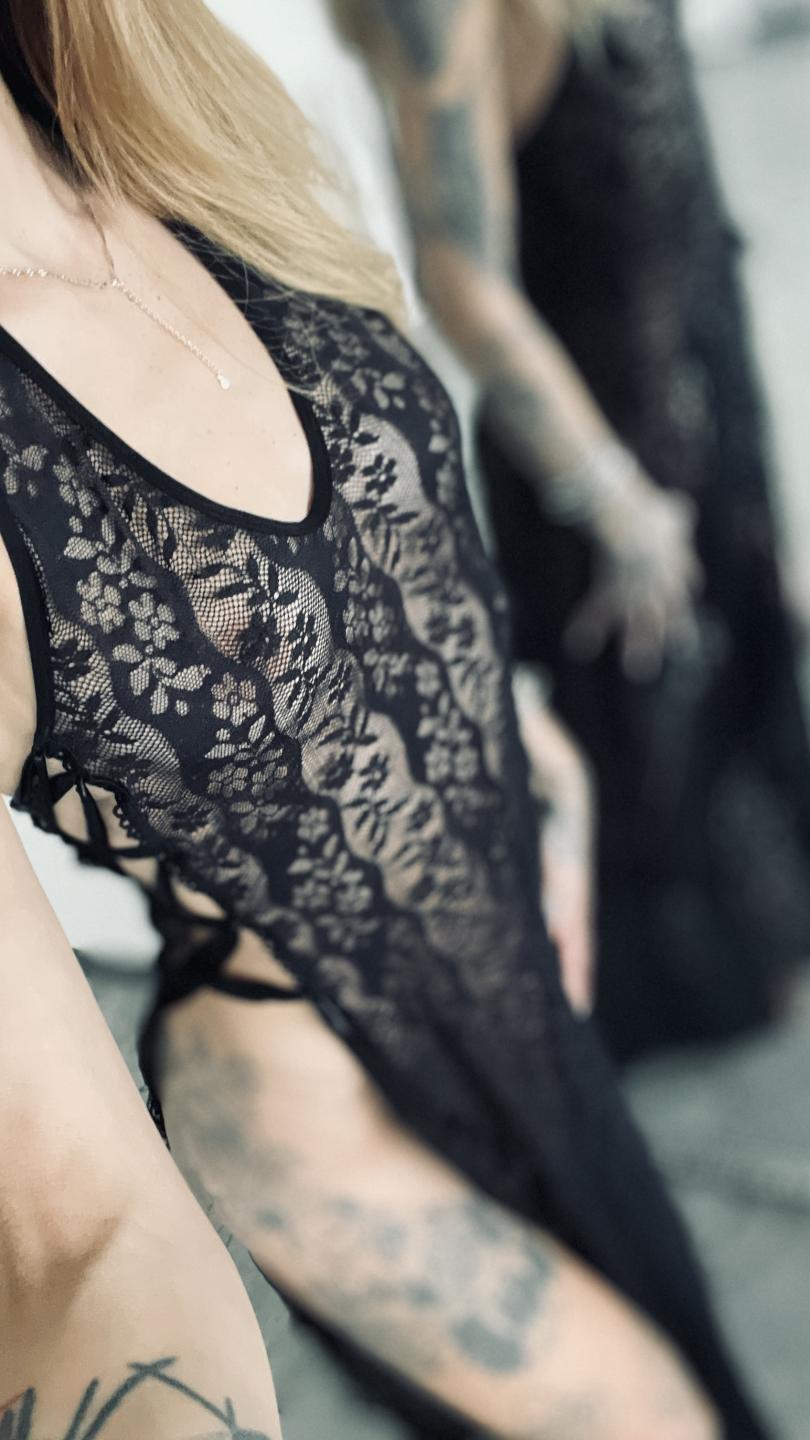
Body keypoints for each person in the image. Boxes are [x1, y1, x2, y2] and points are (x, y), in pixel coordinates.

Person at [0, 1, 768, 1436]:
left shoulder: (179, 128)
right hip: (330, 1117)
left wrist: (508, 720)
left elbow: (388, 527)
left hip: (520, 995)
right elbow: (70, 1237)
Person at [335, 0, 810, 1062]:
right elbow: (461, 277)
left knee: (750, 759)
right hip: (611, 458)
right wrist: (613, 499)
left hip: (703, 399)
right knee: (663, 840)